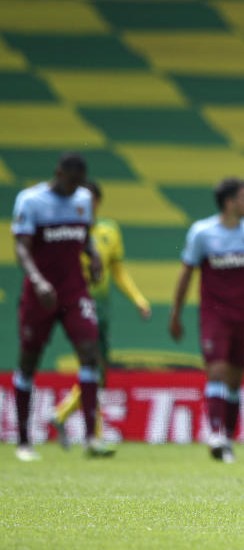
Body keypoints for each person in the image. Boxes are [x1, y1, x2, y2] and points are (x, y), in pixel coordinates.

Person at [169, 177, 244, 463]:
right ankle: (216, 433)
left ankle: (227, 439)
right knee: (217, 371)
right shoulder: (203, 233)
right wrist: (176, 313)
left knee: (235, 380)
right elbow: (186, 275)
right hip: (214, 315)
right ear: (230, 202)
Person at [10, 153, 111, 460]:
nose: (74, 189)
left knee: (90, 355)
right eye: (70, 182)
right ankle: (24, 441)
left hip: (74, 291)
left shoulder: (82, 199)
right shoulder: (31, 201)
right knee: (29, 361)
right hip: (41, 293)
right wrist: (38, 281)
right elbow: (21, 248)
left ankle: (91, 439)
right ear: (58, 173)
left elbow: (84, 238)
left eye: (79, 183)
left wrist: (92, 257)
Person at [49, 180, 152, 451]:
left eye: (90, 200)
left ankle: (69, 418)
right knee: (94, 369)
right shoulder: (65, 230)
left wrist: (138, 299)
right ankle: (86, 431)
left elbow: (118, 270)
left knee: (98, 372)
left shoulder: (108, 230)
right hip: (76, 306)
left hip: (102, 308)